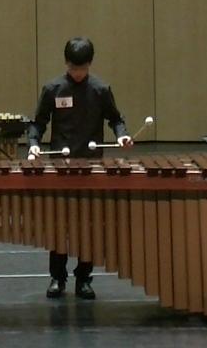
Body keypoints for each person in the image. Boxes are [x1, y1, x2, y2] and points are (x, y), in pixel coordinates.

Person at [25, 36, 131, 300]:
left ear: (90, 64)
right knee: (59, 224)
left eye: (82, 68)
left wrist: (122, 135)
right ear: (66, 63)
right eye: (73, 68)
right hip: (61, 167)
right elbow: (38, 123)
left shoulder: (100, 90)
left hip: (91, 165)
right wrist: (33, 144)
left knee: (89, 225)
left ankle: (84, 278)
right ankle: (57, 278)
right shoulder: (53, 89)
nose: (78, 73)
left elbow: (116, 119)